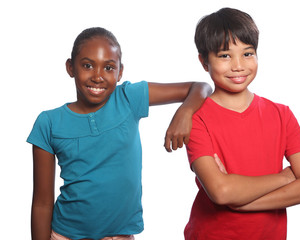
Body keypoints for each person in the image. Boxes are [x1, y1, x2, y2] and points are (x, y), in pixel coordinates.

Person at [27, 27, 211, 240]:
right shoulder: (48, 122)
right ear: (70, 67)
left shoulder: (128, 98)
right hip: (65, 235)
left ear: (120, 72)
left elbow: (201, 87)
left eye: (108, 67)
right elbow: (41, 203)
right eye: (87, 65)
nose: (97, 76)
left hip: (119, 236)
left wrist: (185, 112)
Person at [184, 8, 300, 240]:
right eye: (225, 55)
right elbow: (221, 191)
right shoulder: (197, 119)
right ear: (204, 61)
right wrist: (286, 177)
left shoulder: (281, 114)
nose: (238, 65)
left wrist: (243, 204)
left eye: (247, 54)